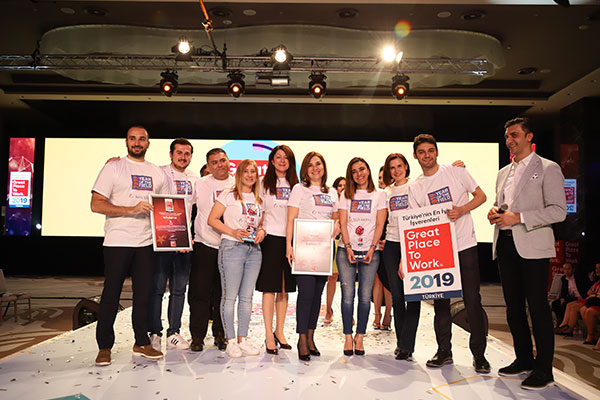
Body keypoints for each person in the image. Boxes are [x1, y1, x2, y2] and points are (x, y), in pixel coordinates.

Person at [488, 117, 566, 390]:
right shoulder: (503, 172)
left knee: (538, 308)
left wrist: (518, 217)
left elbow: (558, 211)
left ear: (529, 137)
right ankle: (523, 358)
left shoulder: (548, 168)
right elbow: (502, 205)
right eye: (507, 136)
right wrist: (495, 213)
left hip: (533, 246)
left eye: (515, 135)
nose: (509, 140)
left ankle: (544, 370)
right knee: (513, 307)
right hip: (505, 244)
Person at [411, 133, 490, 373]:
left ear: (437, 152)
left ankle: (479, 355)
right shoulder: (416, 186)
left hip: (465, 244)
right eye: (422, 152)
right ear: (415, 156)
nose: (427, 155)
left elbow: (481, 196)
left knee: (472, 300)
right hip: (438, 250)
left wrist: (462, 210)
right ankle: (444, 351)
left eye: (430, 151)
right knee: (441, 303)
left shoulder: (456, 171)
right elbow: (417, 222)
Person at [91, 125, 169, 366]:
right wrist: (131, 210)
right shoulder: (113, 167)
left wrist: (175, 236)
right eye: (133, 138)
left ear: (148, 143)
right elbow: (96, 204)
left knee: (144, 295)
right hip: (118, 241)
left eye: (142, 139)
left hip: (146, 242)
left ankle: (141, 342)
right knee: (111, 294)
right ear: (126, 141)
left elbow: (166, 207)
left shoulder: (157, 172)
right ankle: (104, 346)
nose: (137, 142)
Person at [208, 159, 265, 357]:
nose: (250, 175)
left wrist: (262, 231)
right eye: (246, 171)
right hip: (232, 248)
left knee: (247, 297)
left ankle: (243, 338)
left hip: (254, 250)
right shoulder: (228, 194)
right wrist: (232, 231)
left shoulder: (259, 198)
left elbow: (260, 224)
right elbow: (212, 219)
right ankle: (230, 340)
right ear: (239, 174)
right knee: (229, 296)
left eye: (253, 172)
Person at [286, 152, 339, 361]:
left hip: (325, 249)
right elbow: (291, 218)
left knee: (317, 295)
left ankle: (310, 336)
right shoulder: (299, 189)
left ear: (324, 167)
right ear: (305, 170)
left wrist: (337, 226)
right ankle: (301, 338)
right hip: (304, 247)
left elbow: (336, 218)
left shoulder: (332, 192)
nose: (315, 168)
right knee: (306, 293)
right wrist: (288, 245)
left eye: (318, 164)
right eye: (310, 165)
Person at [147, 138, 198, 351]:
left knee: (179, 290)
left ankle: (173, 332)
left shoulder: (195, 179)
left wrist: (191, 236)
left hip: (183, 243)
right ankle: (154, 333)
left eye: (187, 153)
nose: (183, 157)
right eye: (179, 153)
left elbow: (198, 210)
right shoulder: (158, 172)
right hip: (161, 241)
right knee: (157, 288)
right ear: (171, 154)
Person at [337, 157, 386, 356]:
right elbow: (343, 222)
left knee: (365, 297)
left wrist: (372, 248)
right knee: (347, 296)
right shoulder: (346, 195)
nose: (359, 174)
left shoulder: (379, 195)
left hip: (370, 251)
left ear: (368, 170)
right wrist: (348, 246)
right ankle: (348, 336)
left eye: (362, 169)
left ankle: (360, 336)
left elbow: (380, 224)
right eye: (354, 171)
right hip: (346, 250)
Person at [188, 148, 234, 352]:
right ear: (208, 166)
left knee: (224, 294)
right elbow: (184, 208)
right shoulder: (200, 184)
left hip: (230, 246)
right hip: (204, 244)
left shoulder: (237, 184)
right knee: (200, 292)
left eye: (222, 160)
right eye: (214, 162)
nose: (219, 165)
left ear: (228, 161)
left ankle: (221, 333)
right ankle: (197, 336)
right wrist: (182, 237)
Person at [256, 145, 299, 354]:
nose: (282, 161)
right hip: (270, 238)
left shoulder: (297, 186)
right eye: (278, 157)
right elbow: (259, 212)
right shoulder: (263, 183)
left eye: (286, 157)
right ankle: (267, 334)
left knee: (285, 288)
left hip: (292, 240)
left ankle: (279, 331)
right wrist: (259, 229)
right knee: (269, 287)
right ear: (272, 161)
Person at [381, 153, 422, 361]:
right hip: (391, 244)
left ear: (406, 166)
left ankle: (407, 345)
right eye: (392, 167)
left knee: (413, 296)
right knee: (397, 296)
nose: (396, 170)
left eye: (399, 166)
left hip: (413, 243)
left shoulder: (416, 186)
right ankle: (401, 343)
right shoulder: (386, 192)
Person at [373, 167, 393, 331]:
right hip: (375, 241)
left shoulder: (394, 195)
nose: (381, 180)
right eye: (379, 177)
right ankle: (377, 314)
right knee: (377, 280)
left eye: (384, 177)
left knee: (388, 280)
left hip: (391, 240)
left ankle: (388, 314)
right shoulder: (376, 196)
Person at [324, 176, 345, 325]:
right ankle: (328, 309)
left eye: (345, 185)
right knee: (331, 278)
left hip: (346, 243)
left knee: (346, 280)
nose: (343, 188)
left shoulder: (350, 201)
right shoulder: (331, 202)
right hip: (332, 242)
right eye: (340, 185)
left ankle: (347, 312)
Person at [552, 263, 589, 335]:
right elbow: (564, 291)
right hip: (571, 297)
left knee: (566, 304)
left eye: (568, 269)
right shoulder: (563, 278)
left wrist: (582, 296)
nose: (566, 271)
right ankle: (561, 323)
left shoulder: (579, 277)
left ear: (573, 269)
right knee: (556, 304)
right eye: (565, 269)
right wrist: (562, 298)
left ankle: (566, 326)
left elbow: (586, 288)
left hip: (580, 297)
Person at [579, 279, 600, 345]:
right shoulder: (597, 282)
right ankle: (592, 333)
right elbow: (589, 292)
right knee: (582, 309)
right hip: (596, 302)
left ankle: (591, 335)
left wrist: (595, 295)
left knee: (590, 311)